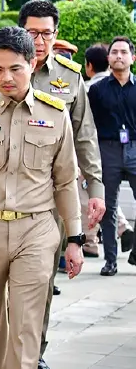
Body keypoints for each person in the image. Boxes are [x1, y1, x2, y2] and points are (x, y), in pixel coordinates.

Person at [0, 26, 85, 369]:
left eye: (14, 69)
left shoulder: (55, 115)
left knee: (26, 323)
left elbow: (66, 180)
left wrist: (75, 239)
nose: (5, 77)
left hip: (36, 231)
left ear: (32, 62)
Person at [0, 0, 104, 369]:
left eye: (47, 33)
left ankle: (34, 352)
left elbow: (85, 137)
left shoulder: (70, 77)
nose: (40, 40)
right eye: (32, 32)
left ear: (56, 34)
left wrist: (94, 192)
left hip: (50, 200)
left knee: (40, 283)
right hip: (2, 198)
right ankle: (8, 353)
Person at [88, 36, 136, 274]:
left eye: (124, 52)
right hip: (107, 149)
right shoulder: (97, 90)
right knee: (108, 207)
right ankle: (110, 260)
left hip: (135, 148)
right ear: (108, 58)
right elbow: (88, 125)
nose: (119, 55)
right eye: (114, 52)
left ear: (132, 58)